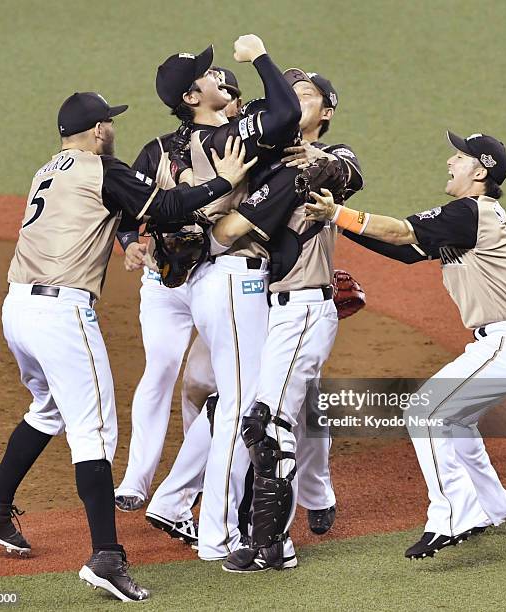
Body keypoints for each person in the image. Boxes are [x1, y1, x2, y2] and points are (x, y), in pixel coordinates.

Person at [0, 90, 252, 602]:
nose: (114, 130)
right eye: (110, 123)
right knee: (94, 431)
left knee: (48, 407)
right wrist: (223, 182)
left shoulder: (48, 169)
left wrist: (128, 241)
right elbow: (165, 204)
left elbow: (112, 215)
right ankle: (106, 557)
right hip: (60, 314)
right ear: (98, 130)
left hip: (18, 309)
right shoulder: (101, 166)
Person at [304, 131, 506, 560]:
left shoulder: (471, 211)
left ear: (480, 170)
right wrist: (333, 220)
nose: (450, 162)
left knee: (425, 412)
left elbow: (400, 232)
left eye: (459, 156)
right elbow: (407, 250)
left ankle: (453, 515)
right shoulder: (469, 217)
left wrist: (338, 212)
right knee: (455, 420)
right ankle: (493, 504)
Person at [147, 69, 364, 549]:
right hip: (254, 296)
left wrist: (316, 161)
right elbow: (223, 227)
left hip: (295, 304)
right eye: (288, 92)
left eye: (304, 94)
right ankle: (239, 525)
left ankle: (307, 494)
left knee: (281, 404)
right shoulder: (262, 162)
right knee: (253, 406)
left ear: (326, 112)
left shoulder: (334, 156)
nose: (292, 98)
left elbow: (350, 173)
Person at [113, 66, 246, 516]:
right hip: (166, 281)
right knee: (161, 368)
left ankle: (205, 471)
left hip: (219, 277)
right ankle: (136, 480)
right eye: (221, 87)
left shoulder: (245, 146)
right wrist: (131, 244)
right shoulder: (156, 152)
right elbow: (129, 213)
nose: (230, 96)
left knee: (205, 382)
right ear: (193, 97)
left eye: (233, 89)